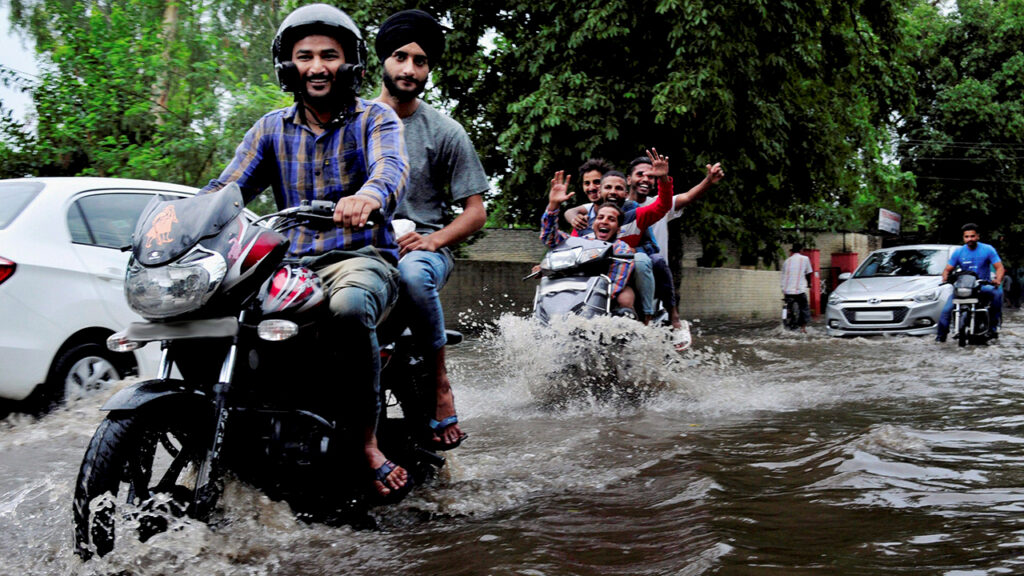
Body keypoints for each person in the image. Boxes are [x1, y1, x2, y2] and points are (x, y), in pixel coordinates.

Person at [199, 4, 410, 497]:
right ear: (288, 66)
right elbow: (227, 188)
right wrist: (181, 218)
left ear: (351, 63)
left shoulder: (374, 118)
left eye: (329, 55)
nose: (317, 66)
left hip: (358, 258)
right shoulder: (269, 128)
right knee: (224, 311)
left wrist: (369, 197)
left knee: (350, 307)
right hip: (289, 264)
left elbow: (390, 170)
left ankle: (366, 441)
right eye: (305, 56)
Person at [374, 9, 488, 451]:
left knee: (413, 275)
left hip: (422, 250)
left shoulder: (446, 132)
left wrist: (433, 239)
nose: (409, 69)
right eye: (400, 56)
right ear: (383, 60)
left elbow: (475, 211)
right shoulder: (352, 122)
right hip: (362, 249)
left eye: (420, 61)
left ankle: (440, 383)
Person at [624, 156, 724, 338]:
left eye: (651, 176)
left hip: (655, 277)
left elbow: (686, 197)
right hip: (624, 278)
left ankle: (673, 317)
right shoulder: (613, 209)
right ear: (628, 179)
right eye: (640, 174)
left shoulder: (659, 204)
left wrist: (708, 181)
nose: (646, 179)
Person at [541, 170, 636, 312]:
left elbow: (613, 286)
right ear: (593, 223)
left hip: (597, 301)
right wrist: (553, 206)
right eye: (600, 217)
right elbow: (550, 239)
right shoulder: (580, 242)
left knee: (625, 301)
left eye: (611, 219)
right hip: (573, 294)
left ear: (618, 229)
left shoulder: (622, 250)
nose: (604, 222)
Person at [936, 223, 1005, 342]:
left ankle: (993, 327)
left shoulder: (988, 249)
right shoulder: (958, 252)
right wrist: (945, 278)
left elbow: (999, 267)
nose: (970, 239)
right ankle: (940, 338)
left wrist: (998, 280)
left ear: (978, 236)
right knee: (946, 310)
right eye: (967, 237)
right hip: (964, 287)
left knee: (997, 293)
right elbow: (947, 269)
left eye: (972, 236)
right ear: (963, 238)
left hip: (982, 286)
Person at [781, 243, 813, 332]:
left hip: (787, 290)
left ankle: (788, 312)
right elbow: (808, 273)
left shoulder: (787, 261)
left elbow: (783, 276)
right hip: (799, 290)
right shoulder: (805, 259)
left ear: (792, 251)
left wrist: (783, 289)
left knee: (789, 303)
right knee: (804, 308)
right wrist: (809, 284)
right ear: (801, 250)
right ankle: (803, 328)